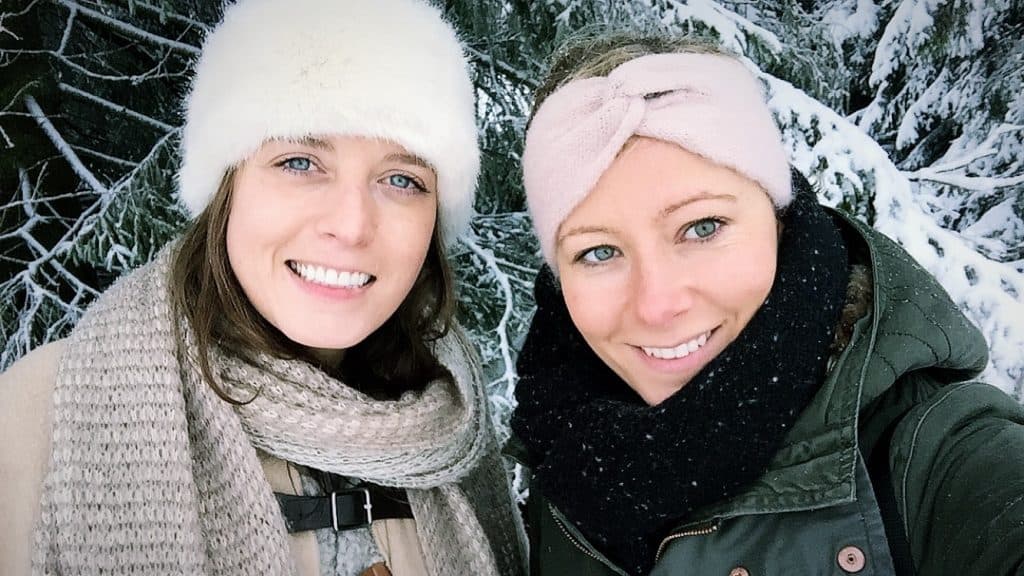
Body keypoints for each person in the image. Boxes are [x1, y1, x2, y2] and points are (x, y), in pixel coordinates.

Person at [0, 1, 528, 574]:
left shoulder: (454, 425)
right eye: (300, 162)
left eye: (401, 179)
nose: (351, 226)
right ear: (226, 186)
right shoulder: (42, 420)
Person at [509, 31, 1024, 576]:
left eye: (702, 227)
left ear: (780, 222)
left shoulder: (937, 459)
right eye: (598, 251)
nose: (657, 304)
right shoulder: (564, 458)